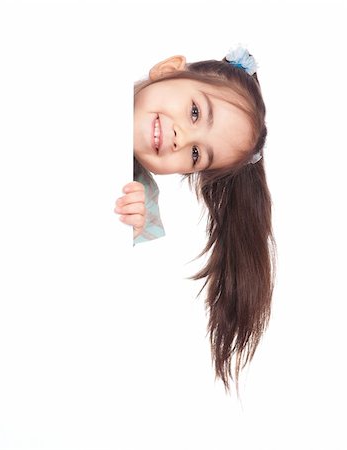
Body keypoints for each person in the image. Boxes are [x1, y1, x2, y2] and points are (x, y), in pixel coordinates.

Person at [114, 46, 276, 393]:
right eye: (194, 111)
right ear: (168, 69)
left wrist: (128, 226)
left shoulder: (139, 195)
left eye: (196, 154)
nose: (181, 138)